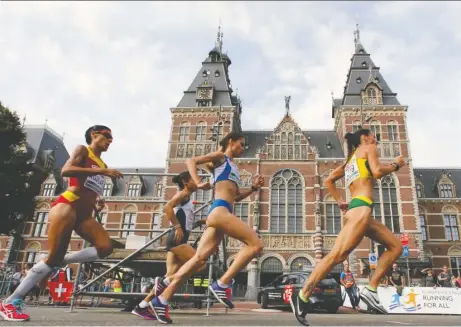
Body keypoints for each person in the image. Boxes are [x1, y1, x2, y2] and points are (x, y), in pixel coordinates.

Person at [0, 125, 123, 322]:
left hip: (85, 214)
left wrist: (97, 201)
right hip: (67, 206)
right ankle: (10, 301)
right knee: (52, 259)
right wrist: (104, 171)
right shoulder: (83, 150)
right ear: (94, 135)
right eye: (107, 136)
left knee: (105, 246)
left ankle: (60, 260)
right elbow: (66, 170)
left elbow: (88, 186)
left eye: (111, 138)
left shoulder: (101, 162)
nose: (110, 140)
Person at [290, 128, 405, 325]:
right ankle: (302, 295)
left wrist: (340, 201)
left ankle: (370, 289)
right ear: (364, 138)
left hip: (357, 208)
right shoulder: (368, 147)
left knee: (396, 247)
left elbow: (329, 180)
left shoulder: (351, 159)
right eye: (373, 136)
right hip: (361, 209)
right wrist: (396, 165)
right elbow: (377, 172)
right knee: (337, 255)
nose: (375, 139)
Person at [148, 132, 264, 324]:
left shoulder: (233, 166)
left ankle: (162, 299)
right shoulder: (221, 157)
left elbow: (234, 198)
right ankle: (222, 284)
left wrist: (252, 189)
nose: (243, 148)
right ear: (230, 142)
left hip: (223, 210)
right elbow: (191, 160)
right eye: (241, 144)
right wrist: (200, 182)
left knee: (198, 259)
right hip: (219, 211)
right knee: (256, 245)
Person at [131, 171, 207, 320]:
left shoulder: (187, 197)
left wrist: (199, 223)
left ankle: (142, 306)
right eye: (195, 178)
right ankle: (162, 282)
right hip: (177, 240)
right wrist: (178, 227)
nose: (198, 181)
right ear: (186, 181)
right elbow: (167, 207)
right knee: (200, 263)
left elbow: (185, 218)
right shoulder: (183, 194)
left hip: (178, 239)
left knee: (171, 277)